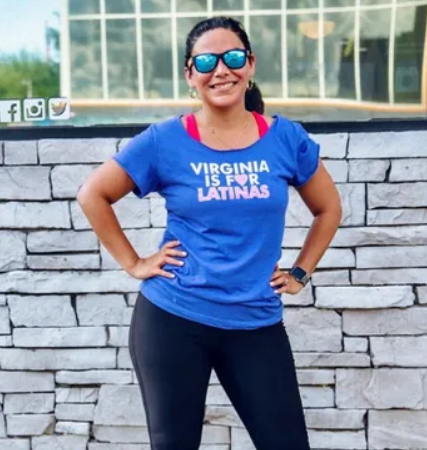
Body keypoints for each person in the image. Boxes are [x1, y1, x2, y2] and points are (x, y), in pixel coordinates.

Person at [77, 16, 342, 450]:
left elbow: (328, 208)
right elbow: (93, 194)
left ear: (251, 65)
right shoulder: (164, 141)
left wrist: (300, 273)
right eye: (207, 61)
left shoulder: (285, 139)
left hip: (256, 321)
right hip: (173, 319)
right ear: (190, 75)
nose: (222, 69)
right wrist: (135, 263)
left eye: (234, 57)